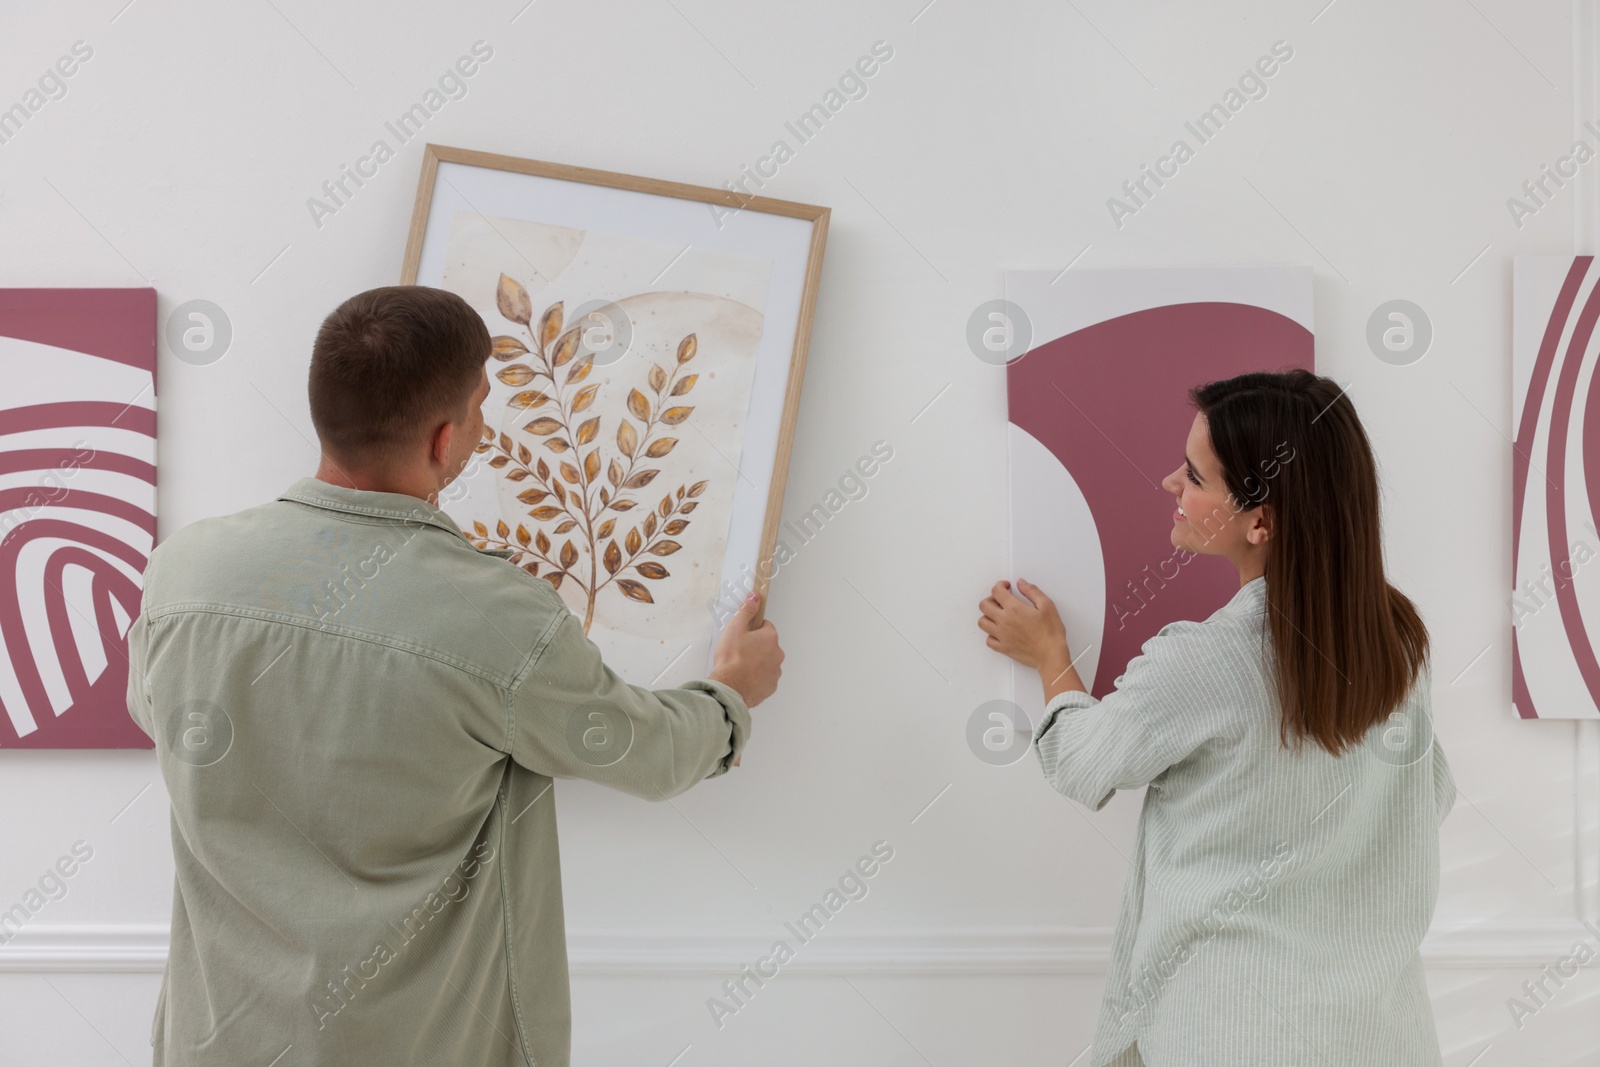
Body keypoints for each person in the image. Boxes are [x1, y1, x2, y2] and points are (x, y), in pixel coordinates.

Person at [126, 285, 783, 1067]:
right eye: (479, 407)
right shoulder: (499, 618)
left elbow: (154, 712)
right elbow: (651, 754)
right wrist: (732, 692)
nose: (481, 429)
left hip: (218, 1043)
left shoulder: (183, 574)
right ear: (445, 439)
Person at [978, 369, 1454, 1067]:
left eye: (1196, 476)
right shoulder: (1401, 644)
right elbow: (1430, 794)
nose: (1172, 482)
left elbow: (1083, 764)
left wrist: (1051, 656)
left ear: (1260, 520)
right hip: (1380, 1035)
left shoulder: (1202, 662)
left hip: (1231, 1030)